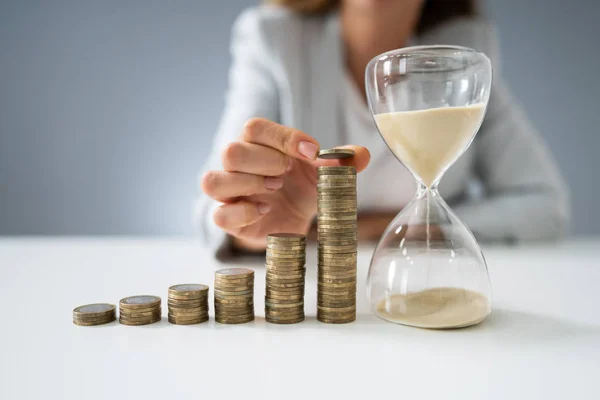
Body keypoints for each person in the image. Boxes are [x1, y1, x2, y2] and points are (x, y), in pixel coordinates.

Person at [195, 0, 569, 258]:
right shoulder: (272, 39)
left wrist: (405, 224)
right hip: (312, 281)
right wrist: (255, 216)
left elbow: (545, 205)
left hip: (426, 267)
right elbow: (211, 210)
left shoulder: (466, 50)